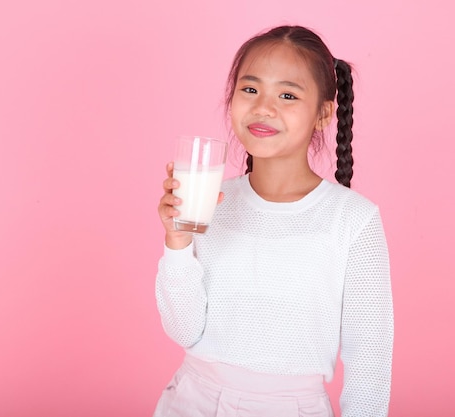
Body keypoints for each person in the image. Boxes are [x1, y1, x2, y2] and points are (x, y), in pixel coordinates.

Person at [155, 25, 393, 417]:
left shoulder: (353, 220)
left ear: (324, 113)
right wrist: (177, 242)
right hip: (189, 402)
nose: (264, 107)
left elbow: (370, 363)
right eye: (250, 89)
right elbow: (184, 331)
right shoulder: (211, 202)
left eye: (287, 95)